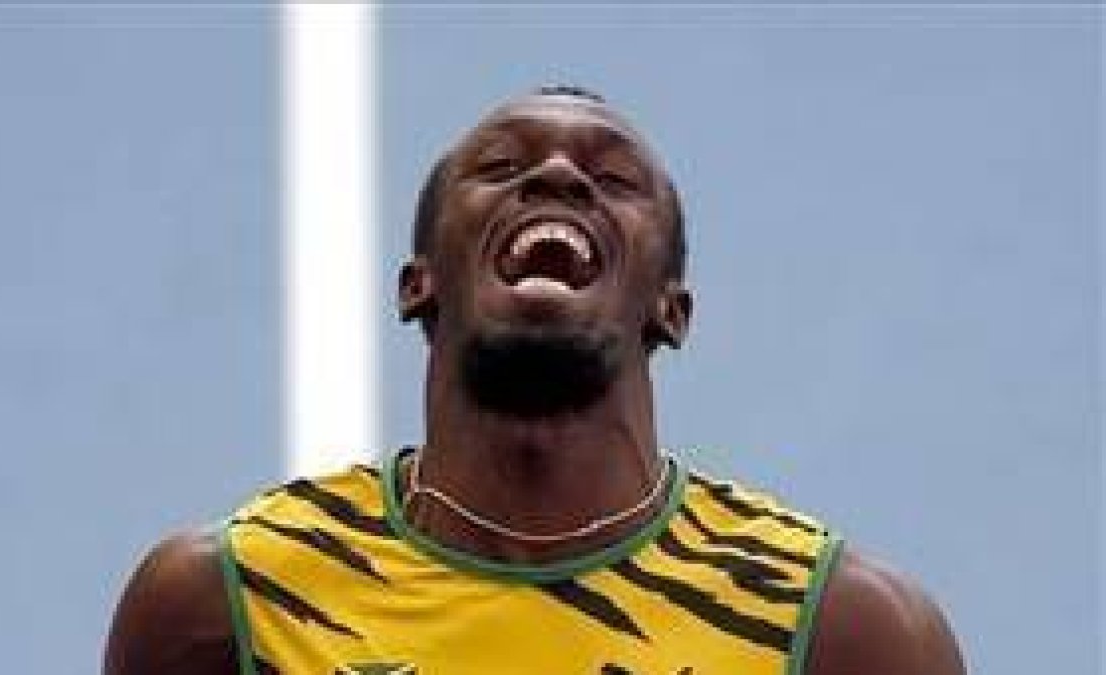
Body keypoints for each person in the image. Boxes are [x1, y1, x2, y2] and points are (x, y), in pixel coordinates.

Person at [105, 86, 966, 675]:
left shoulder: (835, 629)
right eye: (501, 167)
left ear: (671, 308)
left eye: (615, 178)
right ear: (418, 283)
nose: (557, 176)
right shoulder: (225, 606)